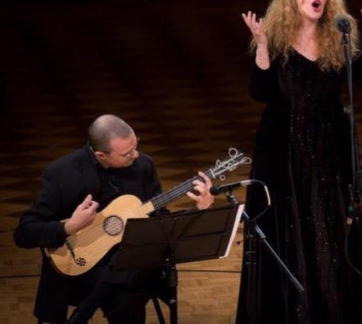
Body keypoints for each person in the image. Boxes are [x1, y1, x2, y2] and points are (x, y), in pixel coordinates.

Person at [235, 0, 362, 324]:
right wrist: (261, 47)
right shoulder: (274, 40)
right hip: (283, 157)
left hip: (329, 155)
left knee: (332, 235)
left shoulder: (338, 38)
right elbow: (260, 93)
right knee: (288, 233)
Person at [14, 114, 214, 324]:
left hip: (131, 259)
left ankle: (84, 312)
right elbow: (24, 233)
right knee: (124, 291)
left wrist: (199, 210)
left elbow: (160, 219)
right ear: (101, 155)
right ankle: (88, 308)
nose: (136, 155)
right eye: (127, 154)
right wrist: (69, 227)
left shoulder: (143, 165)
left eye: (136, 145)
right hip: (80, 264)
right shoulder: (61, 174)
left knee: (129, 277)